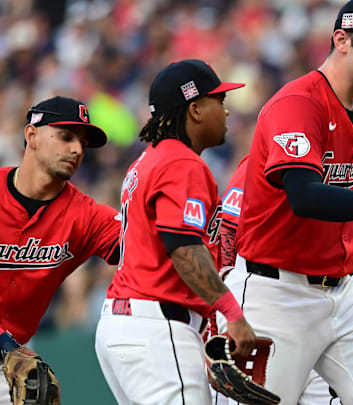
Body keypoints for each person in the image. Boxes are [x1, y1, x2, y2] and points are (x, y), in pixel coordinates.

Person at [230, 0, 353, 403]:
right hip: (277, 292)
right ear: (341, 39)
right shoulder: (297, 103)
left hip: (341, 295)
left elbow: (352, 223)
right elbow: (304, 196)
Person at [211, 86, 353, 405]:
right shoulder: (282, 157)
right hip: (274, 301)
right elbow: (228, 242)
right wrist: (228, 315)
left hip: (335, 308)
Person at [94, 59, 256, 405]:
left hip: (128, 323)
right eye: (220, 102)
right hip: (158, 326)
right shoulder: (182, 162)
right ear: (195, 109)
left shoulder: (149, 159)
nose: (226, 112)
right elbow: (183, 248)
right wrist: (232, 313)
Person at [0, 96, 120, 404]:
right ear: (31, 135)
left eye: (82, 141)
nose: (78, 149)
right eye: (66, 137)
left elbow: (148, 250)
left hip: (12, 353)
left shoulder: (85, 215)